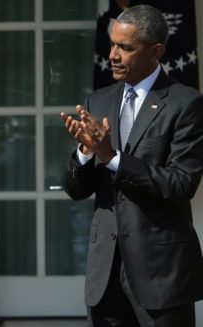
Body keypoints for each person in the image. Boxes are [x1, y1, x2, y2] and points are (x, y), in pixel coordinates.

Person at [60, 5, 203, 327]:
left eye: (125, 47)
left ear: (156, 51)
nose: (113, 55)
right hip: (104, 273)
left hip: (161, 273)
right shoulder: (99, 100)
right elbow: (76, 190)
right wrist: (84, 153)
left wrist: (112, 157)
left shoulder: (186, 103)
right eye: (112, 44)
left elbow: (181, 184)